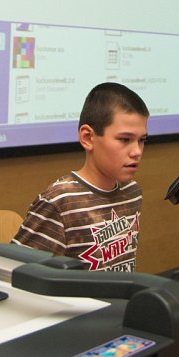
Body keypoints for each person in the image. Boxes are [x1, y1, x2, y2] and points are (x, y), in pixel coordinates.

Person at [12, 82, 149, 271]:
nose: (137, 151)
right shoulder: (61, 201)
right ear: (87, 138)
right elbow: (21, 272)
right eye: (124, 139)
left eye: (142, 140)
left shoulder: (132, 192)